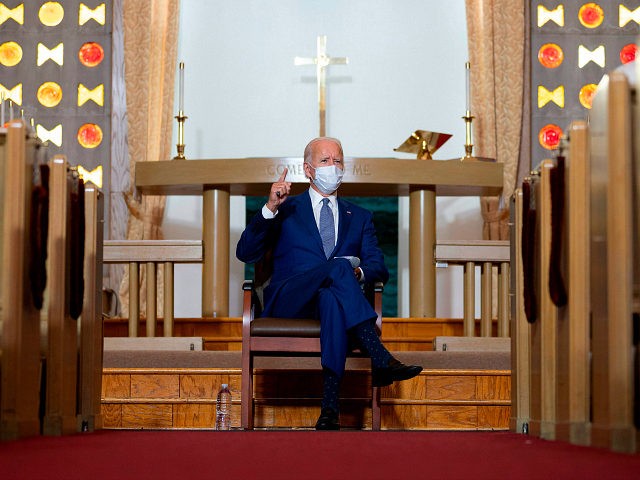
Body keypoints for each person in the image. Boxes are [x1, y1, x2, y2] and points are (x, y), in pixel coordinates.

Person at [236, 137, 422, 430]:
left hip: (329, 303)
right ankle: (378, 354)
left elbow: (378, 267)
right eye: (325, 161)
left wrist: (357, 275)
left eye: (337, 161)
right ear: (308, 170)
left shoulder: (360, 217)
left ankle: (329, 410)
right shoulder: (286, 208)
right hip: (289, 300)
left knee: (331, 299)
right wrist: (270, 207)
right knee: (338, 267)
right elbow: (245, 253)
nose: (332, 167)